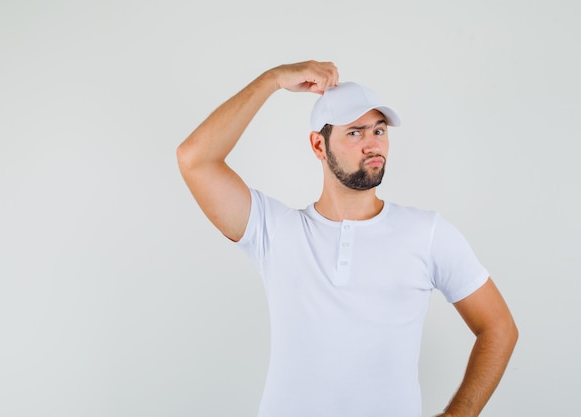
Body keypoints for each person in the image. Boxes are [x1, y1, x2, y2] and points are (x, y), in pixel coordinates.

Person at [176, 60, 518, 417]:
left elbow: (498, 327)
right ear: (318, 146)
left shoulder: (427, 233)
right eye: (355, 133)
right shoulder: (274, 231)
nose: (373, 145)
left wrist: (458, 414)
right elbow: (194, 159)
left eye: (379, 130)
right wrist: (272, 80)